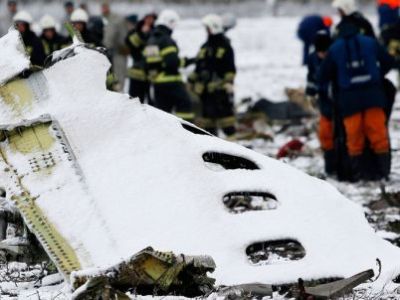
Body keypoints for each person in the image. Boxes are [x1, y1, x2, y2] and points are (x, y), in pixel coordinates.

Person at [319, 23, 395, 181]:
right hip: (374, 97)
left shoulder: (335, 48)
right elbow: (388, 61)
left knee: (354, 138)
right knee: (378, 135)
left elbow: (323, 75)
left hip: (349, 102)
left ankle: (359, 175)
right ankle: (383, 173)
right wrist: (378, 77)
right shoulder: (370, 42)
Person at [189, 14, 237, 137]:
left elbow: (230, 70)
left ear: (214, 27)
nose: (206, 31)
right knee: (208, 128)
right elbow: (199, 67)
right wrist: (191, 81)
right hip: (205, 95)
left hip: (220, 94)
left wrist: (222, 84)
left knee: (228, 126)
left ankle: (234, 153)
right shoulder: (204, 47)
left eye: (208, 28)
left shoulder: (225, 47)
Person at [144, 10, 194, 121]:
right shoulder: (166, 40)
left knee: (163, 116)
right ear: (170, 22)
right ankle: (187, 133)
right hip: (172, 82)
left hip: (157, 84)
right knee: (185, 106)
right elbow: (172, 62)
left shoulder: (152, 39)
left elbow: (149, 63)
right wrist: (187, 62)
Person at [305, 31, 334, 174]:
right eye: (319, 51)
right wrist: (310, 93)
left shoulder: (335, 56)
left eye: (325, 51)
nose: (322, 54)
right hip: (323, 100)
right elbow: (311, 77)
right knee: (325, 133)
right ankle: (330, 165)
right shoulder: (312, 58)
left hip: (338, 100)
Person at [126, 13, 156, 103]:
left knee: (152, 102)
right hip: (137, 72)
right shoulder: (136, 31)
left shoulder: (155, 32)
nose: (150, 20)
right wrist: (141, 33)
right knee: (135, 102)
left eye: (152, 18)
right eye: (148, 18)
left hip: (150, 73)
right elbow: (131, 43)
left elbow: (153, 52)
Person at [101, 1, 128, 91]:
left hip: (118, 54)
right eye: (102, 7)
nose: (103, 9)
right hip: (108, 55)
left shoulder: (116, 19)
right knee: (109, 82)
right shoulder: (104, 20)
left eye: (105, 6)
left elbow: (122, 38)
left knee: (118, 83)